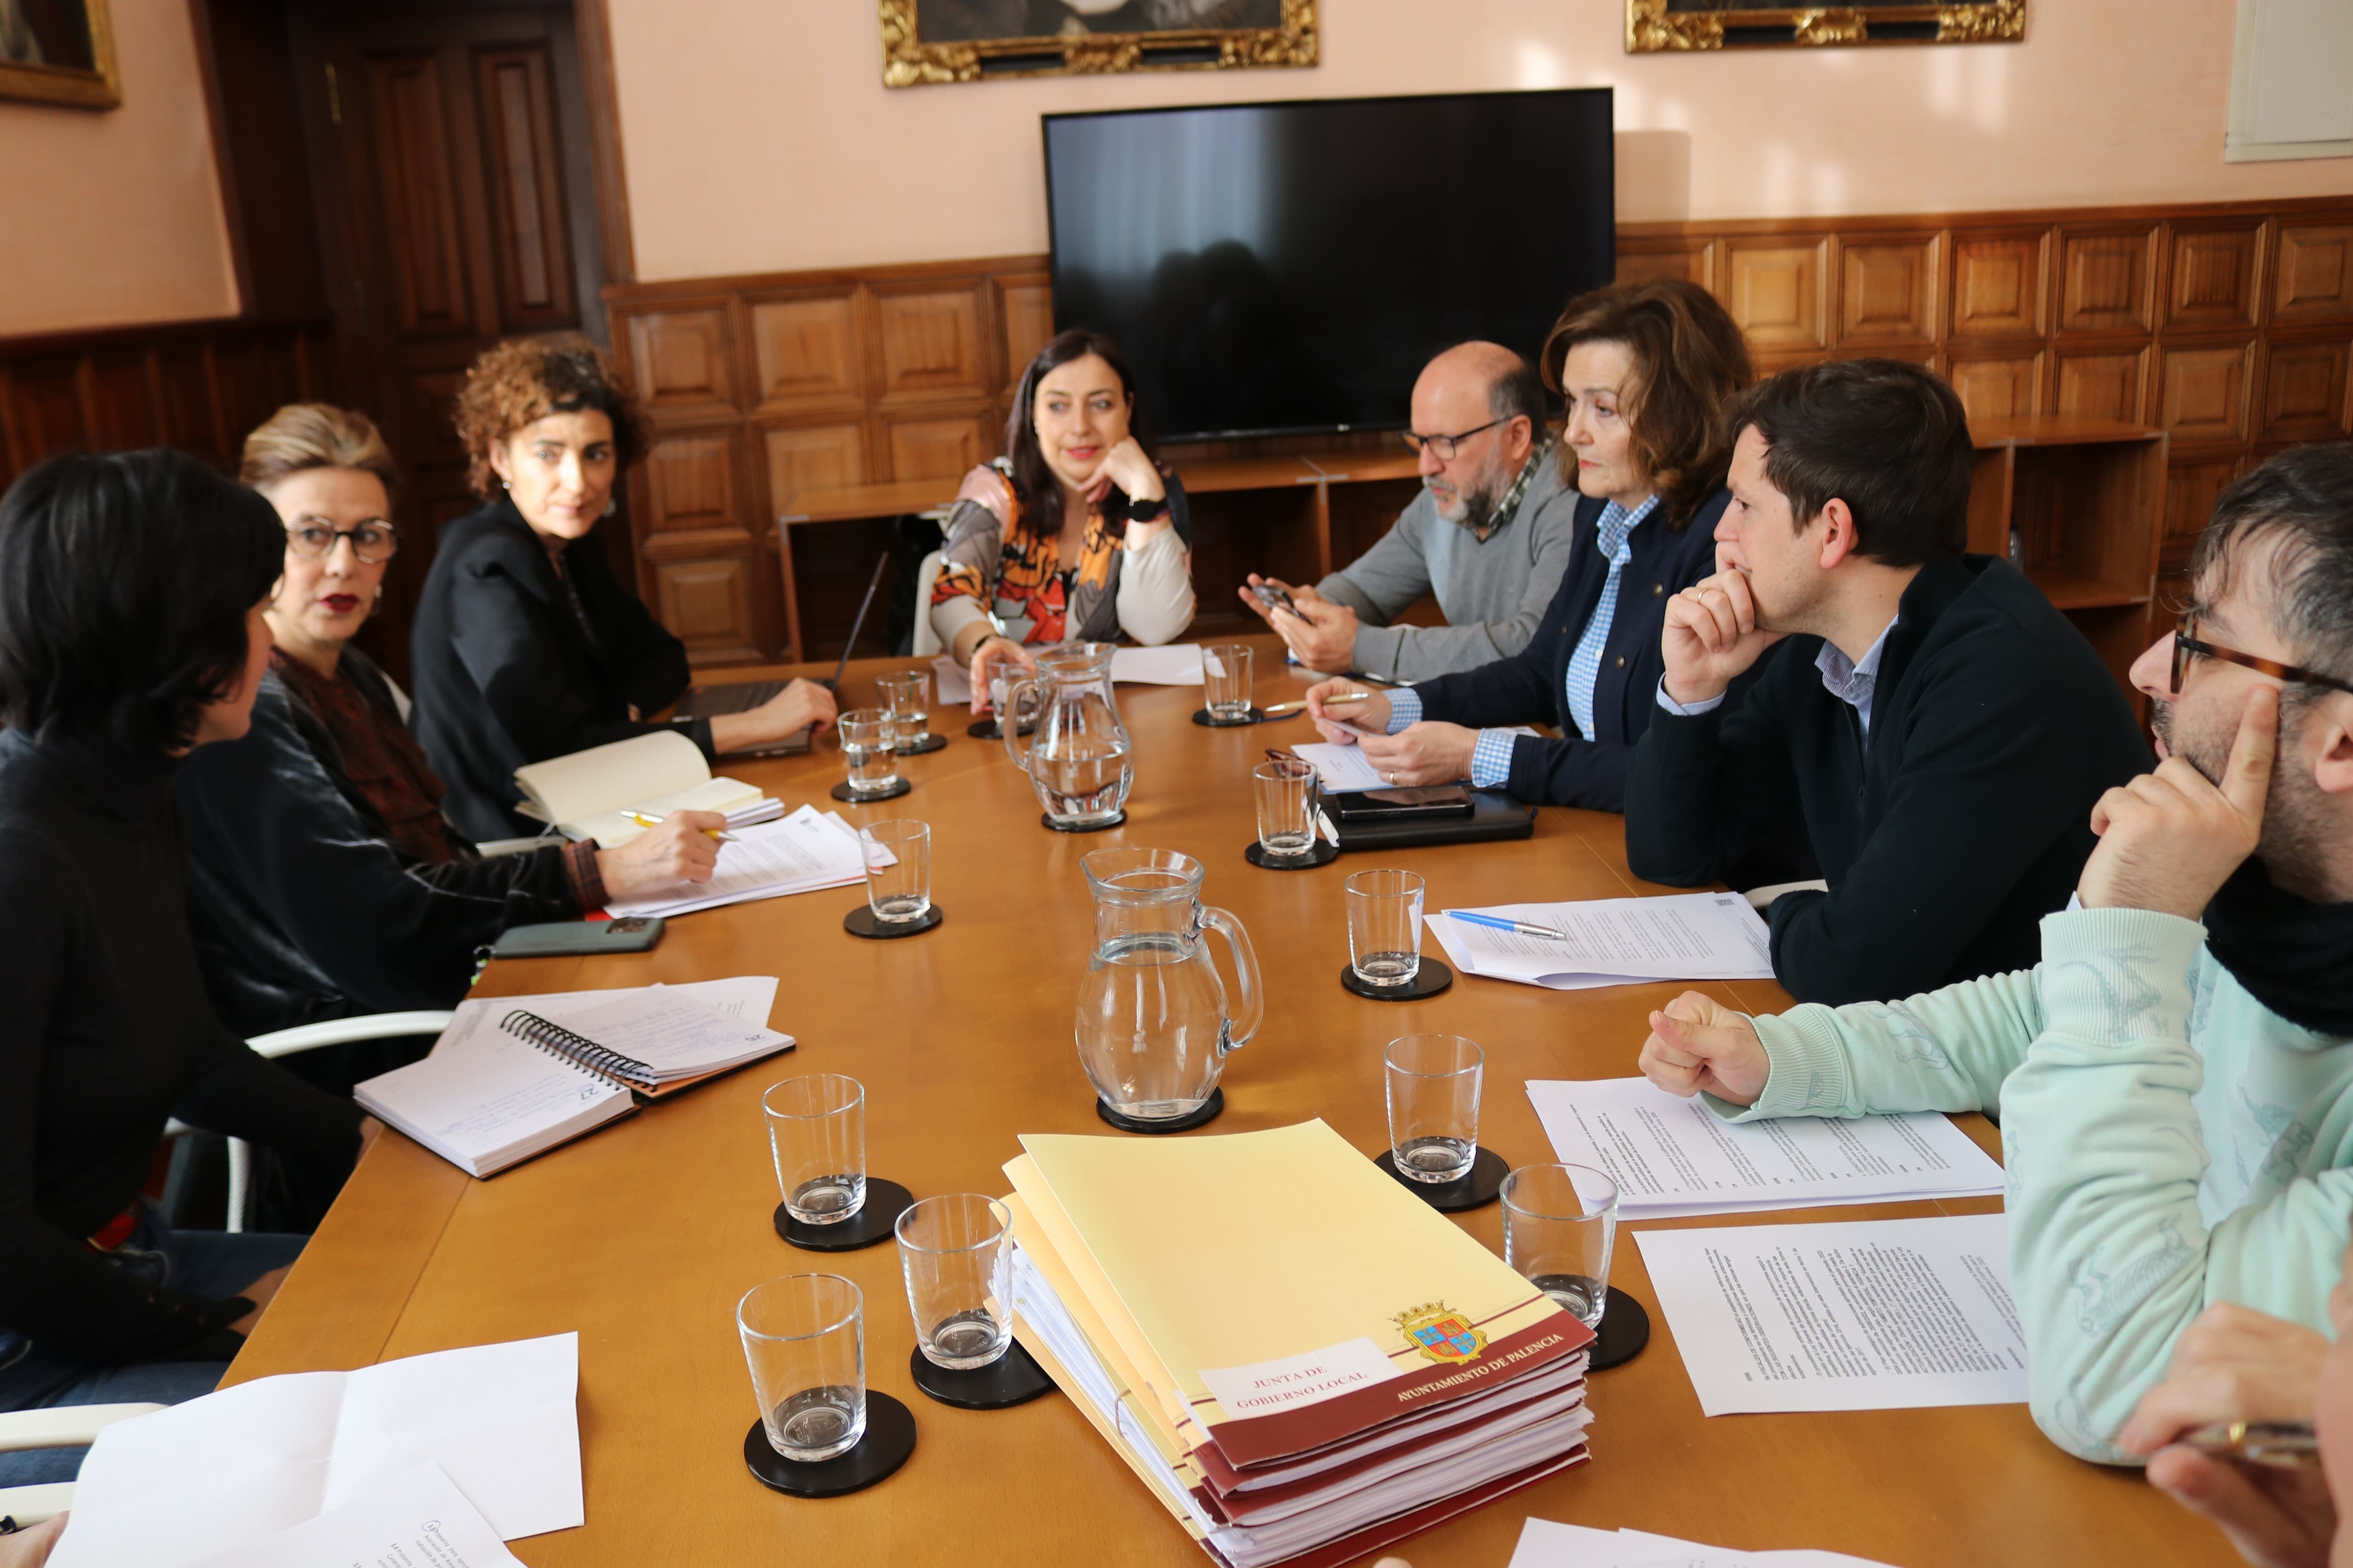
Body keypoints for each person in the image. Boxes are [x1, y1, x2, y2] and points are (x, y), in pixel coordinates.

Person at [1636, 443, 2353, 1467]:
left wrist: (2132, 928)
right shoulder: (2259, 905)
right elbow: (2036, 1012)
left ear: (2341, 743)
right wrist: (1784, 1056)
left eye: (2198, 640)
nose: (2148, 667)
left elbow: (2116, 1388)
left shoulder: (2179, 886)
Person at [0, 450, 368, 1486]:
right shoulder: (21, 860)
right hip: (33, 1357)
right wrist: (219, 1324)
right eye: (251, 607)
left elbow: (178, 1044)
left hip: (129, 1261)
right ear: (170, 645)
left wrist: (375, 1136)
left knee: (437, 1303)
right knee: (354, 1443)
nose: (267, 634)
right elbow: (6, 1248)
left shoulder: (130, 781)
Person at [174, 405, 725, 1043]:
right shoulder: (251, 705)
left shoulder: (351, 671)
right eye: (312, 535)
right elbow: (379, 920)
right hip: (375, 1039)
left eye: (368, 534)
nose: (343, 564)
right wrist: (604, 870)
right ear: (256, 546)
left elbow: (432, 864)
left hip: (474, 978)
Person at [1624, 358, 2149, 1004]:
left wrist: (1774, 913)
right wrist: (1691, 692)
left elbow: (1852, 969)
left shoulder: (2004, 678)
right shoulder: (1817, 651)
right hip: (1918, 1048)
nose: (1721, 536)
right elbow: (1671, 855)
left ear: (1833, 531)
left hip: (2030, 1083)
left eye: (1743, 505)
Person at [1297, 279, 1759, 811]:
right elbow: (1538, 670)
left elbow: (1673, 771)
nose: (1572, 432)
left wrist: (1476, 755)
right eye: (1571, 404)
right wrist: (1393, 706)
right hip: (1601, 829)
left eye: (1603, 409)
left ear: (1679, 413)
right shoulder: (1602, 509)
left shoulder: (1723, 546)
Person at [410, 335, 835, 840]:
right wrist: (756, 724)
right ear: (501, 458)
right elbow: (562, 752)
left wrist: (618, 716)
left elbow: (662, 657)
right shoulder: (486, 567)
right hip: (516, 837)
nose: (577, 482)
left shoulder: (566, 543)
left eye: (596, 455)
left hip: (590, 796)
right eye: (548, 454)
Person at [1237, 341, 1580, 682]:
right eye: (1419, 442)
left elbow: (1533, 644)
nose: (1425, 466)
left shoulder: (1571, 500)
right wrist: (1311, 611)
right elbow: (1367, 590)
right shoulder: (1447, 498)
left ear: (1517, 436)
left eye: (1445, 443)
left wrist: (1360, 648)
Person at [929, 329, 1194, 708]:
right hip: (1009, 712)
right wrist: (984, 644)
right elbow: (950, 595)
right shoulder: (996, 489)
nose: (1080, 426)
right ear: (1032, 414)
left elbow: (1155, 627)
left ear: (1128, 409)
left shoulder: (1155, 486)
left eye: (1101, 404)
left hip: (1126, 711)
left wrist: (1143, 490)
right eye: (1057, 406)